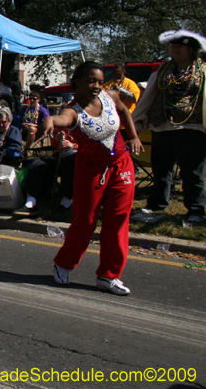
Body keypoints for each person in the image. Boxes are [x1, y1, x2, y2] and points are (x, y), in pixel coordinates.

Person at [39, 61, 143, 295]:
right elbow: (63, 119)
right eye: (90, 81)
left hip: (121, 165)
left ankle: (109, 275)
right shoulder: (73, 109)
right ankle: (64, 263)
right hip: (90, 169)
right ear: (77, 81)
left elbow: (124, 111)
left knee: (118, 220)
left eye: (98, 81)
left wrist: (133, 136)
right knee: (85, 221)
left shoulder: (111, 96)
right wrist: (50, 120)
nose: (96, 86)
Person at [133, 30, 206, 220]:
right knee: (161, 170)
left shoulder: (202, 70)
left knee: (192, 172)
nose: (175, 50)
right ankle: (156, 204)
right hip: (162, 127)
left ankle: (196, 209)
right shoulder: (164, 71)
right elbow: (149, 94)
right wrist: (137, 118)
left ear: (191, 49)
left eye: (179, 47)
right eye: (173, 46)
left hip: (192, 128)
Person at [19, 129, 77, 214]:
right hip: (59, 155)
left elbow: (90, 145)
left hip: (76, 156)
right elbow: (54, 145)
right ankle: (30, 203)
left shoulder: (84, 125)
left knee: (69, 162)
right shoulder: (62, 126)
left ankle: (65, 203)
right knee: (38, 164)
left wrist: (73, 146)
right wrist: (56, 140)